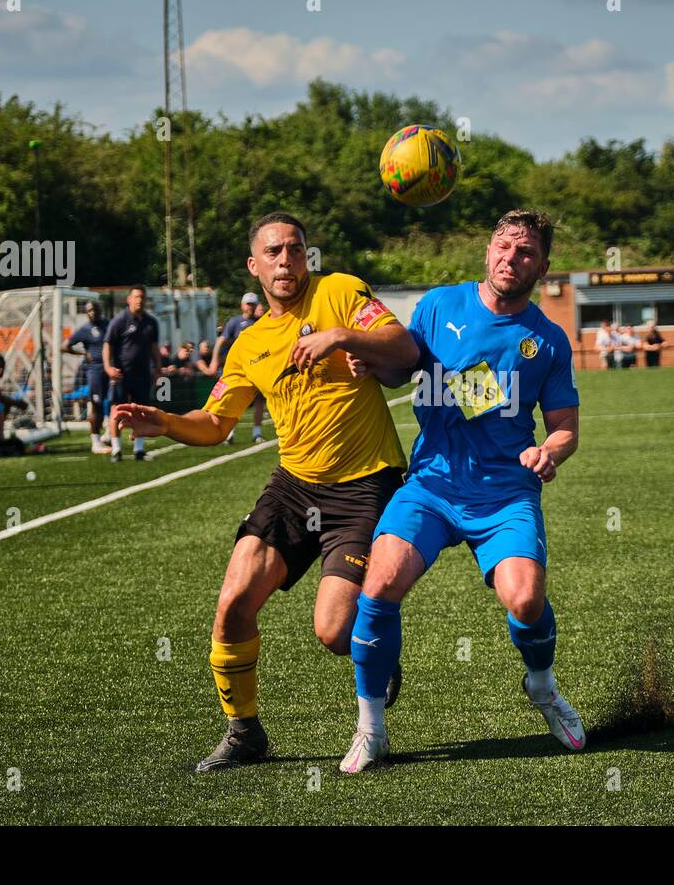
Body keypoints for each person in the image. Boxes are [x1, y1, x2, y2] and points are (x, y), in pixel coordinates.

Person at [113, 212, 418, 772]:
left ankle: (373, 647)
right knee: (232, 604)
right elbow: (215, 423)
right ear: (255, 266)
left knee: (333, 632)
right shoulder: (249, 344)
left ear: (308, 256)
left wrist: (342, 336)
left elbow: (404, 349)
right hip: (295, 486)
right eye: (274, 252)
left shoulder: (343, 291)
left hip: (364, 485)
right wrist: (165, 421)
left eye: (295, 249)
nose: (286, 260)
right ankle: (245, 732)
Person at [335, 208, 584, 774]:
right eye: (503, 246)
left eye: (524, 253)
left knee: (525, 598)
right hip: (433, 481)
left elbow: (566, 424)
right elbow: (403, 368)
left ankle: (541, 686)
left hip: (503, 493)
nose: (510, 258)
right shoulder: (437, 304)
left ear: (542, 267)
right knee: (379, 583)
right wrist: (370, 361)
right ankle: (370, 728)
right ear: (488, 250)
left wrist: (551, 451)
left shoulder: (547, 339)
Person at [103, 286, 162, 462]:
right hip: (121, 374)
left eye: (142, 297)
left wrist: (158, 369)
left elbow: (154, 348)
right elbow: (108, 344)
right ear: (129, 299)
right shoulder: (120, 320)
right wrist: (108, 367)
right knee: (117, 410)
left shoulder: (151, 322)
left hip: (142, 374)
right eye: (136, 297)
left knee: (141, 411)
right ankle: (116, 449)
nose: (139, 300)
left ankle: (139, 449)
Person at [212, 291, 266, 443]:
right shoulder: (234, 322)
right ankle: (229, 433)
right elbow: (221, 341)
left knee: (259, 401)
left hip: (257, 366)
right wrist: (214, 360)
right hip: (238, 368)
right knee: (231, 399)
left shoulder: (261, 322)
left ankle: (257, 433)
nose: (250, 307)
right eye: (248, 304)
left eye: (253, 304)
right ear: (242, 305)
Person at [62, 300, 110, 454]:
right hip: (95, 371)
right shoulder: (84, 330)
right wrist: (83, 353)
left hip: (111, 369)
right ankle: (95, 442)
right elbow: (64, 346)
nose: (92, 312)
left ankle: (108, 434)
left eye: (95, 309)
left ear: (100, 310)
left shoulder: (108, 325)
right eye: (89, 310)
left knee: (116, 401)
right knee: (96, 405)